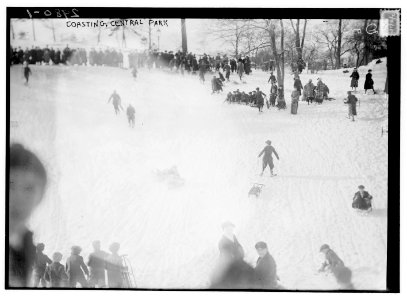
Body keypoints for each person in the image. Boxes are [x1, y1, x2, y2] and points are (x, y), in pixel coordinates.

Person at [9, 144, 47, 287]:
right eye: (10, 185)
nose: (18, 198)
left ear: (40, 196)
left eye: (29, 188)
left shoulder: (26, 242)